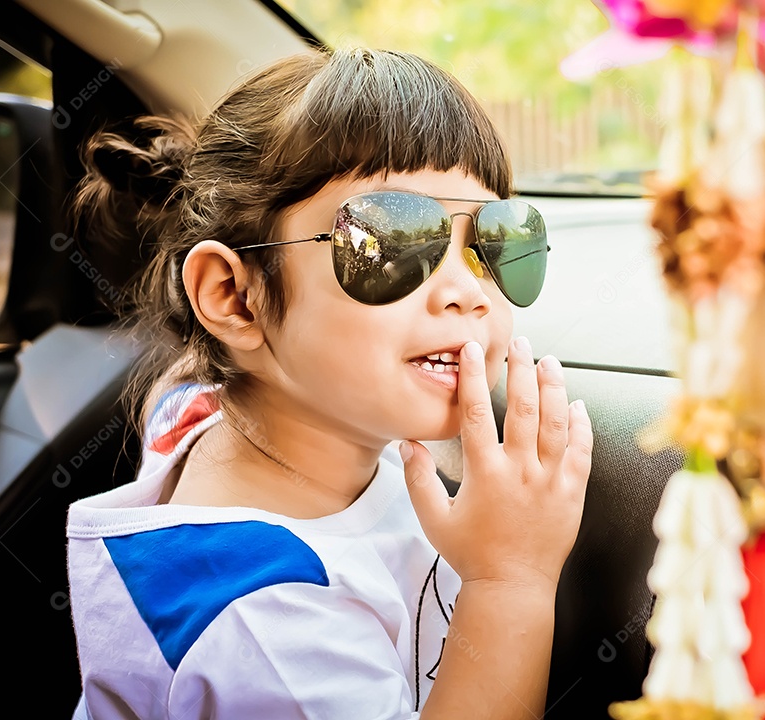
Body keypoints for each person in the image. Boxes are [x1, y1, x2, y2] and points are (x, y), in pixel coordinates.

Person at [66, 47, 592, 719]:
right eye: (390, 240)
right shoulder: (266, 621)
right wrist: (511, 577)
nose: (469, 291)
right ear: (233, 297)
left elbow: (185, 379)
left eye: (491, 242)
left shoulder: (199, 413)